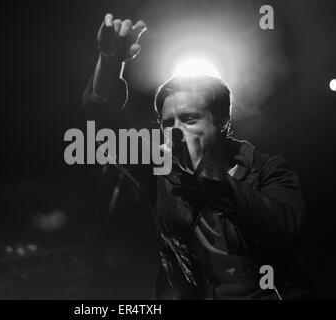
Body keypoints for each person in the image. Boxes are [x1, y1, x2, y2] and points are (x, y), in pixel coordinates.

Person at [82, 13, 313, 299]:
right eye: (168, 123)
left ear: (223, 122)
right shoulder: (161, 170)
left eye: (190, 119)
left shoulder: (267, 169)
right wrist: (109, 62)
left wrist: (214, 178)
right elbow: (104, 127)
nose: (176, 132)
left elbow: (285, 228)